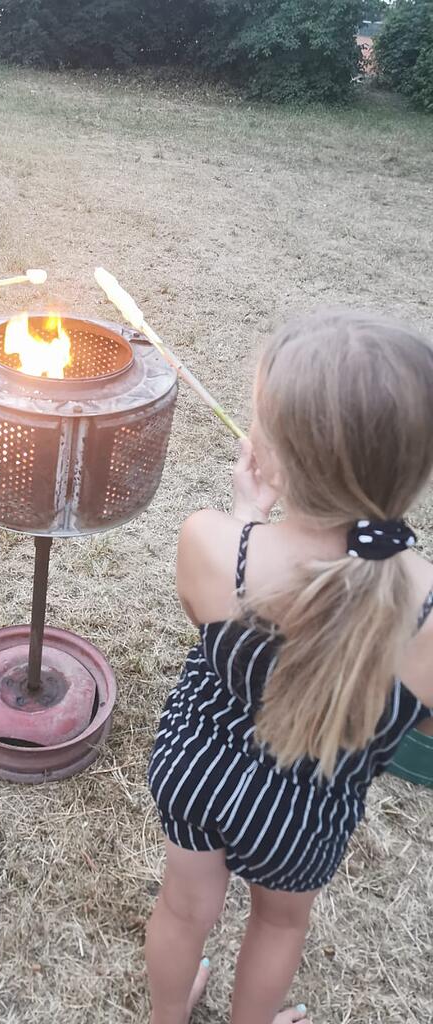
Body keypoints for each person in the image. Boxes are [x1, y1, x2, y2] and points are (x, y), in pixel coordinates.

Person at [146, 310, 433, 1024]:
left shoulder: (213, 543)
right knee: (278, 924)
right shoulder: (425, 610)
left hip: (197, 768)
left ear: (276, 453)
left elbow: (218, 629)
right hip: (304, 812)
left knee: (184, 910)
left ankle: (164, 1016)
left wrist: (247, 515)